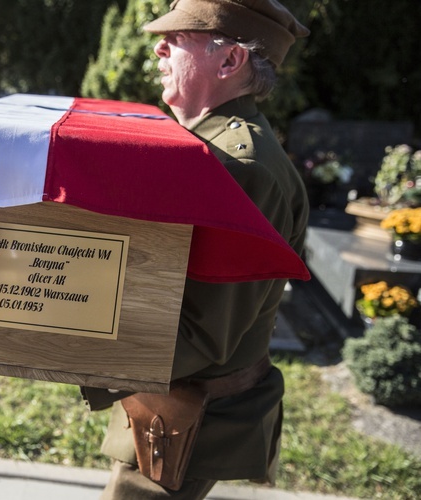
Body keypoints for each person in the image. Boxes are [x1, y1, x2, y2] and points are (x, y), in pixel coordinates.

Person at [85, 1, 312, 498]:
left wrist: (74, 348)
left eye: (177, 37)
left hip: (190, 425)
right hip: (169, 411)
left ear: (229, 61)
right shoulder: (209, 147)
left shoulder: (240, 169)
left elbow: (205, 332)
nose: (158, 48)